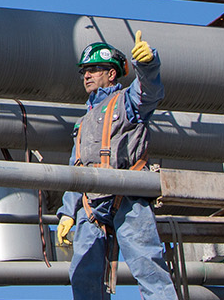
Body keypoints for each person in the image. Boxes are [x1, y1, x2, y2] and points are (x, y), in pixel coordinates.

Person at [54, 31, 176, 300]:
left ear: (112, 74)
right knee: (83, 275)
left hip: (127, 196)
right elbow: (76, 169)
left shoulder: (126, 101)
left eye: (95, 69)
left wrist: (147, 64)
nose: (87, 75)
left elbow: (150, 91)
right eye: (84, 70)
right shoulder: (83, 123)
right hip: (91, 205)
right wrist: (67, 212)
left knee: (148, 266)